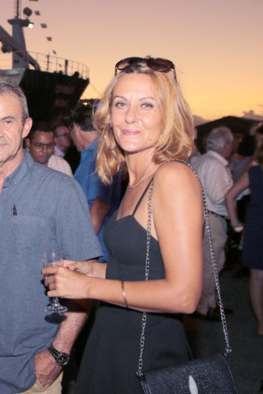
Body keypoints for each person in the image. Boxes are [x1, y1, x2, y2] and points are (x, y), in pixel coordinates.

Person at [43, 56, 203, 393]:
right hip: (114, 339)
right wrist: (92, 271)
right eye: (120, 103)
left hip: (147, 352)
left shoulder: (172, 176)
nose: (130, 116)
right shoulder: (133, 182)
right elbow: (144, 268)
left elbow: (185, 295)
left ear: (167, 115)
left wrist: (87, 288)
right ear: (109, 115)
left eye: (146, 104)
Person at [0, 78, 102, 394]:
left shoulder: (61, 191)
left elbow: (87, 279)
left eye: (7, 121)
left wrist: (59, 352)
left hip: (32, 374)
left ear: (26, 126)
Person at [225, 131, 263, 335]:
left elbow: (230, 195)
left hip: (258, 228)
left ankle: (261, 323)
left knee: (258, 277)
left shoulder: (256, 172)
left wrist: (235, 223)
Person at [70, 101, 123, 262]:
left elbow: (100, 207)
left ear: (76, 127)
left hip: (95, 252)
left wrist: (81, 251)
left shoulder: (97, 156)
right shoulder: (102, 153)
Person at [192, 125, 234, 319]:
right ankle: (204, 307)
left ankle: (209, 303)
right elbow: (219, 196)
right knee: (211, 264)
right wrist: (238, 190)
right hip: (213, 219)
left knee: (211, 262)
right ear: (226, 145)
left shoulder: (202, 160)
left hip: (204, 217)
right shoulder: (214, 165)